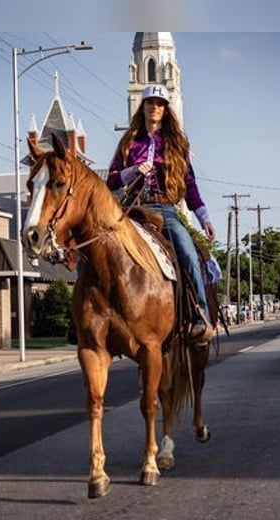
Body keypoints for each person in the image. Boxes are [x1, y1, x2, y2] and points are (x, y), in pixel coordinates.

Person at [106, 84, 216, 342]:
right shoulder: (129, 143)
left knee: (188, 253)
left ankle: (201, 315)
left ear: (166, 109)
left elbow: (190, 187)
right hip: (132, 209)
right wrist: (131, 171)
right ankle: (92, 318)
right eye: (150, 102)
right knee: (97, 246)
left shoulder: (177, 145)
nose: (154, 107)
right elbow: (110, 181)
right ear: (142, 107)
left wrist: (205, 219)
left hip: (165, 208)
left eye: (160, 103)